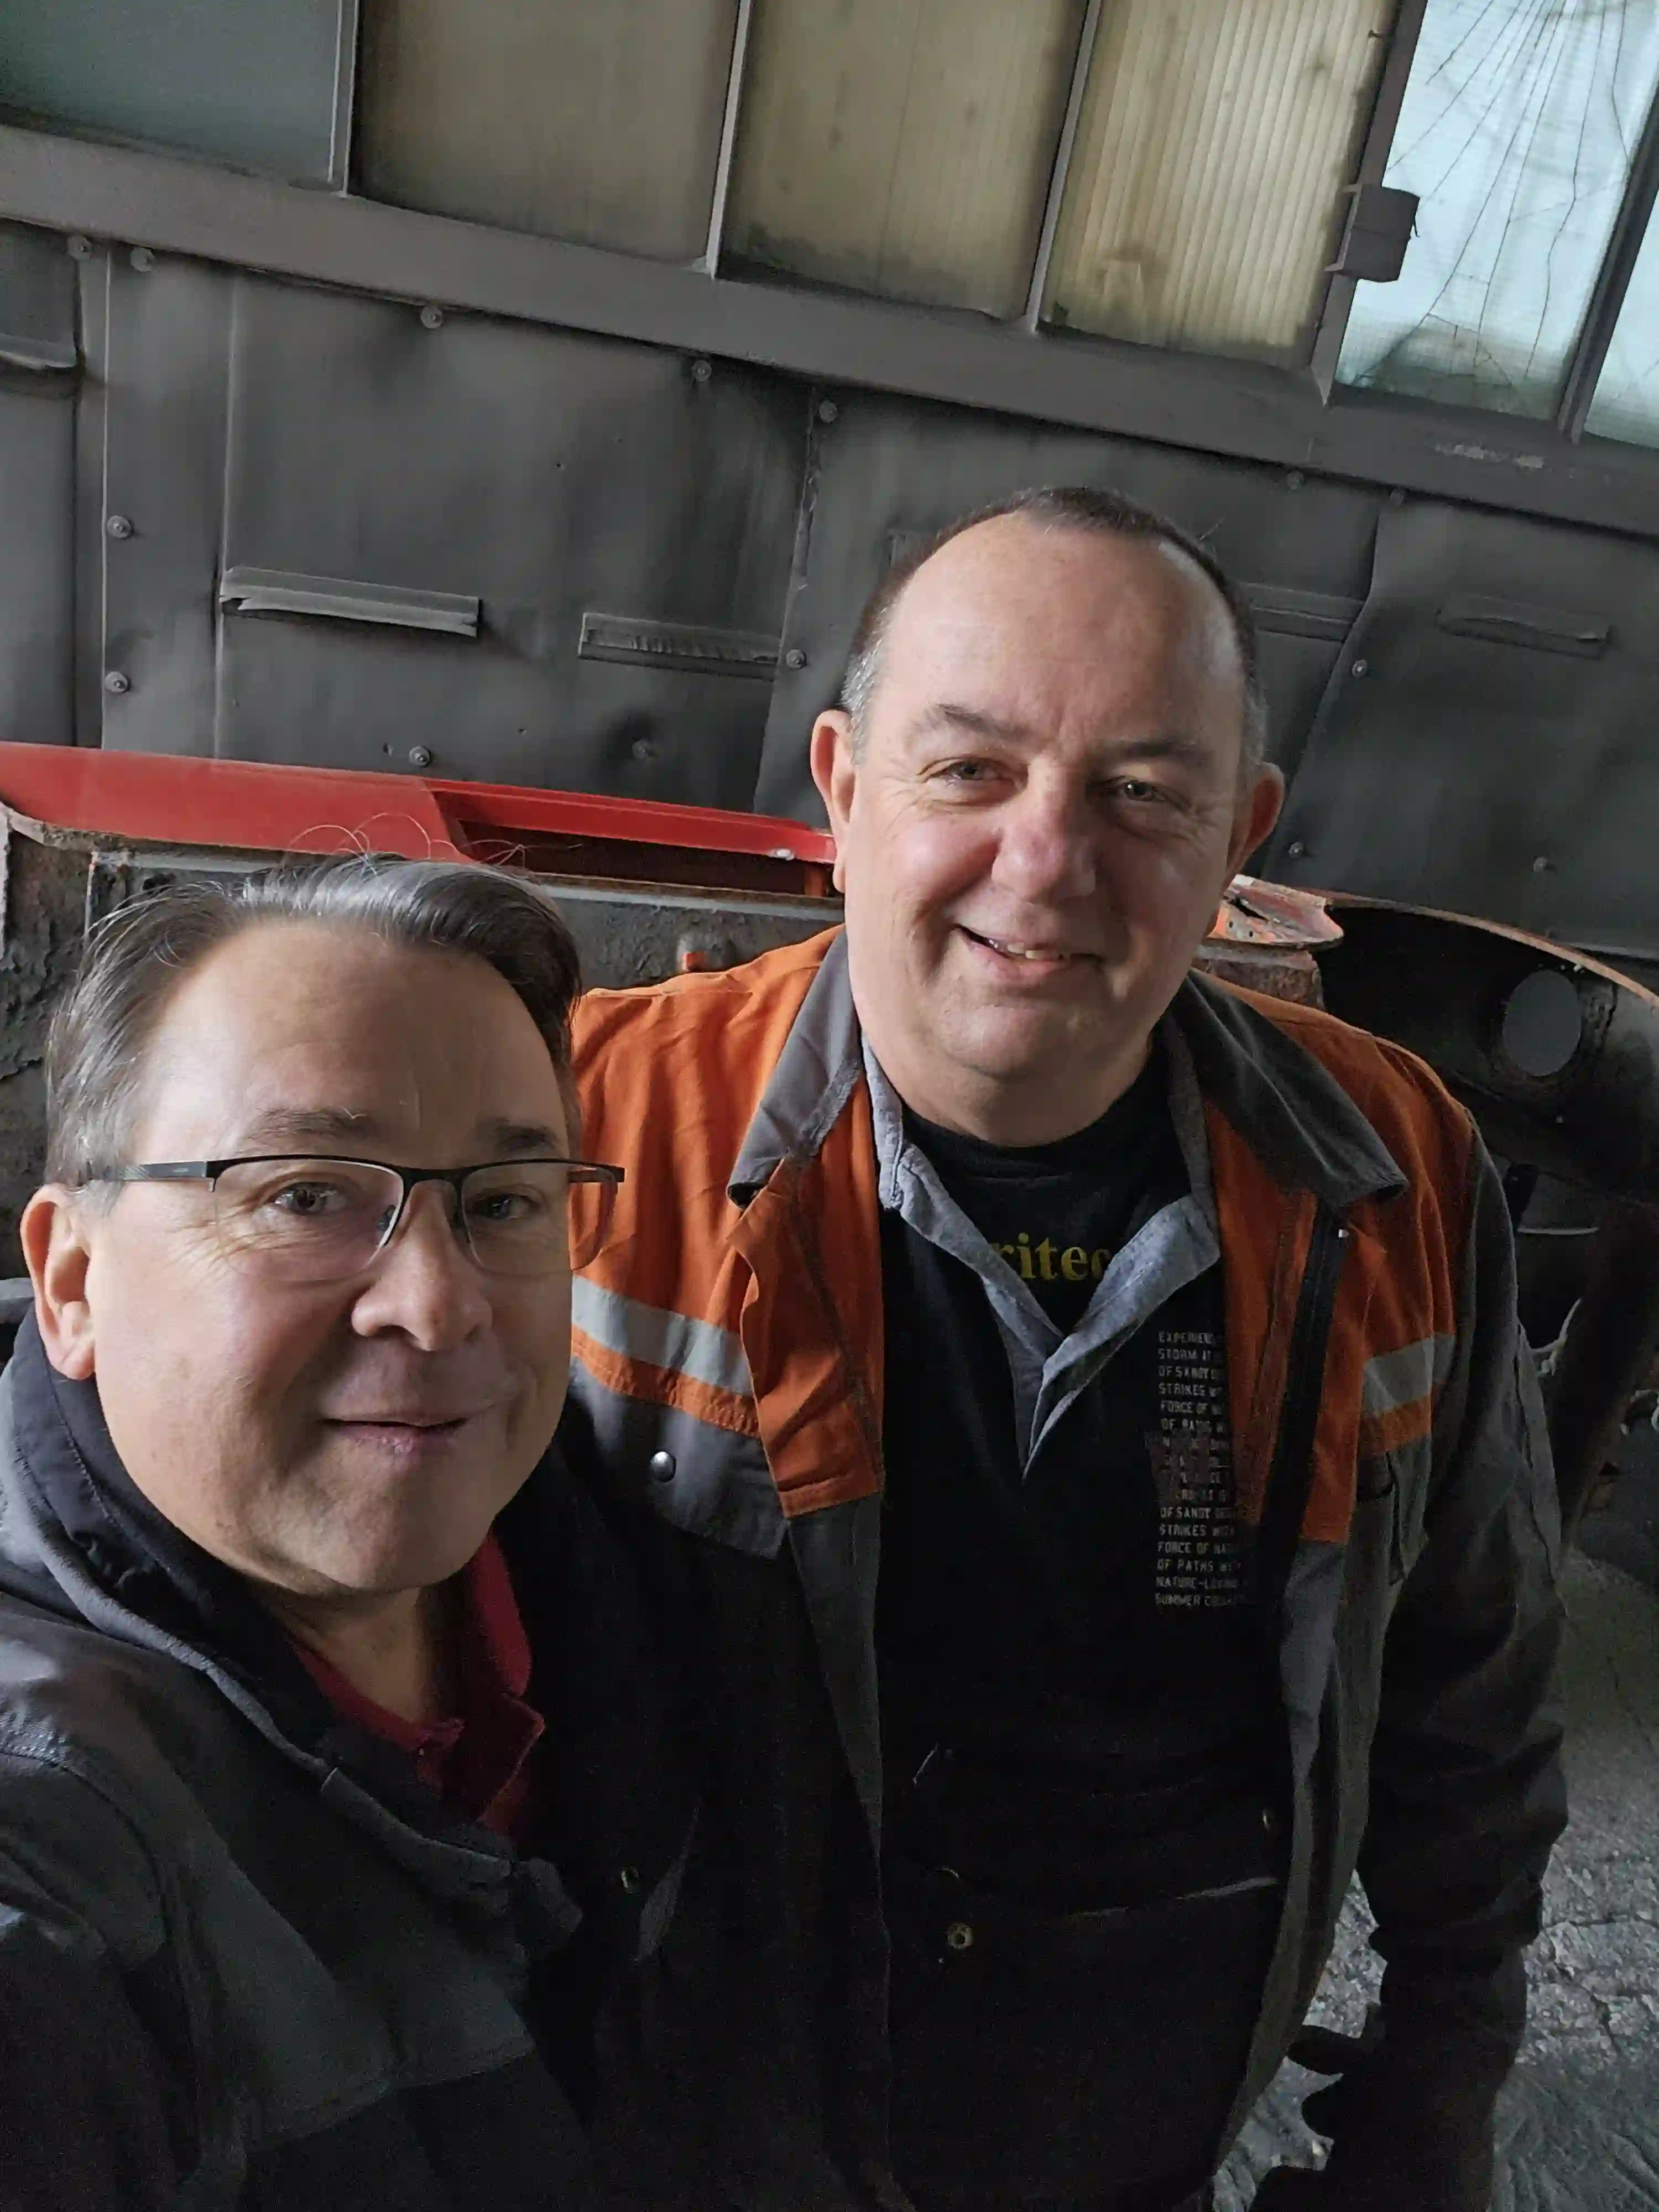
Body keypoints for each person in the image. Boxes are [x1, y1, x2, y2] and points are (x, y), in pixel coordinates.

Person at [562, 486, 1566, 2212]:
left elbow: (1475, 1683)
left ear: (1241, 835)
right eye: (970, 770)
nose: (1045, 863)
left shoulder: (1395, 1169)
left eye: (1143, 794)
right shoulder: (592, 1132)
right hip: (709, 2137)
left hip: (1148, 2121)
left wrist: (1441, 2074)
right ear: (843, 788)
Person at [0, 857, 693, 2210]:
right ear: (74, 1280)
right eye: (306, 1193)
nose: (436, 1304)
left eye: (504, 1199)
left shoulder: (610, 1555)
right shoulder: (55, 1850)